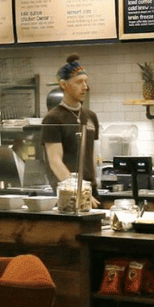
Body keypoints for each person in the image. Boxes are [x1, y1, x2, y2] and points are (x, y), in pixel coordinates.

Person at [41, 53, 100, 202]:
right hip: (68, 194)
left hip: (90, 190)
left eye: (86, 82)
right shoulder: (53, 118)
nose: (85, 87)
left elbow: (92, 153)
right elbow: (55, 161)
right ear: (63, 84)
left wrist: (93, 185)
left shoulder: (91, 116)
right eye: (79, 82)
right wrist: (78, 191)